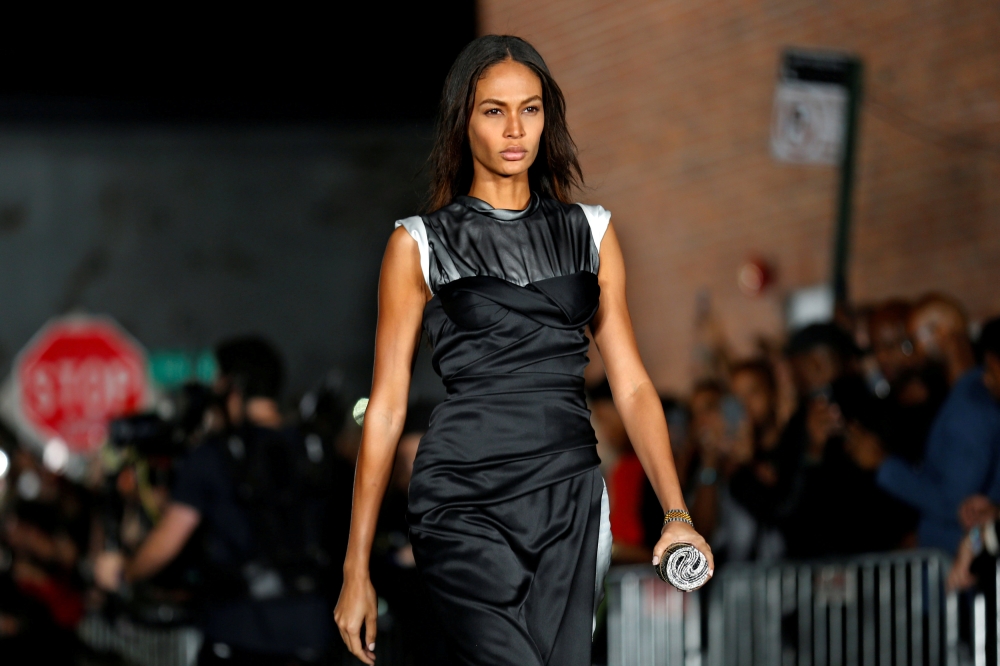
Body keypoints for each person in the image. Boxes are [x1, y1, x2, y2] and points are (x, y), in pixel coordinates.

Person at [333, 35, 712, 666]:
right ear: (464, 122)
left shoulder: (592, 231)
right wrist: (356, 565)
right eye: (494, 110)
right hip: (461, 495)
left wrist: (675, 510)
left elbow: (634, 386)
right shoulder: (418, 245)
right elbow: (389, 408)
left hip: (569, 492)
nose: (516, 129)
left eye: (530, 109)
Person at [95, 337, 337, 664]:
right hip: (314, 631)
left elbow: (167, 541)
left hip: (239, 634)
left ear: (230, 387)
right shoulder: (316, 451)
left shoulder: (213, 456)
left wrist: (124, 572)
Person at [850, 310, 1000, 554]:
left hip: (958, 563)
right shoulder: (962, 396)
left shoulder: (971, 405)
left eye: (909, 342)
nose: (907, 355)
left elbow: (957, 502)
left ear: (939, 335)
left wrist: (883, 464)